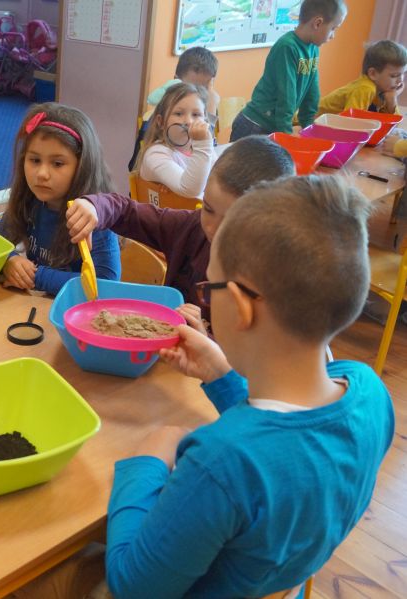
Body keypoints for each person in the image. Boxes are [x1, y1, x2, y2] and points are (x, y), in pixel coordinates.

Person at [106, 175, 394, 598]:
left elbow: (133, 587)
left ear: (240, 307)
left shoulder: (221, 462)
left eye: (209, 288)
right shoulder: (368, 390)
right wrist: (223, 377)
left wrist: (147, 460)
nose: (205, 298)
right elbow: (291, 446)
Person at [67, 135, 294, 331]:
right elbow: (127, 212)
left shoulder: (272, 282)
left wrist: (207, 342)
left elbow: (252, 358)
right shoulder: (191, 227)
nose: (212, 228)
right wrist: (94, 207)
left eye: (233, 221)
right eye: (208, 209)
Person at [0, 102, 121, 296]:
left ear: (82, 167)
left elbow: (105, 284)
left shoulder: (94, 215)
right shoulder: (29, 200)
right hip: (41, 304)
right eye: (35, 160)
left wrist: (36, 276)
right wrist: (9, 260)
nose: (42, 174)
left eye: (58, 163)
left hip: (77, 311)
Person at [230, 0, 348, 140]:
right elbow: (286, 94)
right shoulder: (287, 47)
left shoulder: (313, 49)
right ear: (318, 23)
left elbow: (312, 91)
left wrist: (308, 126)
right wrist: (286, 134)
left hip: (273, 126)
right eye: (333, 28)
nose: (333, 36)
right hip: (254, 125)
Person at [130, 47, 220, 171]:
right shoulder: (161, 119)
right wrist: (210, 114)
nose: (196, 95)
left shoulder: (202, 108)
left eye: (204, 90)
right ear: (175, 81)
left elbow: (209, 156)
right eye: (189, 87)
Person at [133, 83, 216, 200]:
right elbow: (191, 190)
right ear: (161, 122)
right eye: (178, 114)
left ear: (205, 120)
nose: (189, 121)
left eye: (196, 114)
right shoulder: (156, 154)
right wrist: (203, 145)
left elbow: (221, 185)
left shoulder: (205, 152)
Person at [318, 39, 406, 115]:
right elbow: (350, 121)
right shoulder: (365, 88)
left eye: (403, 74)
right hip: (313, 120)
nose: (400, 80)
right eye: (394, 75)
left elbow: (390, 123)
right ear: (373, 74)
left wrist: (392, 101)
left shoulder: (382, 91)